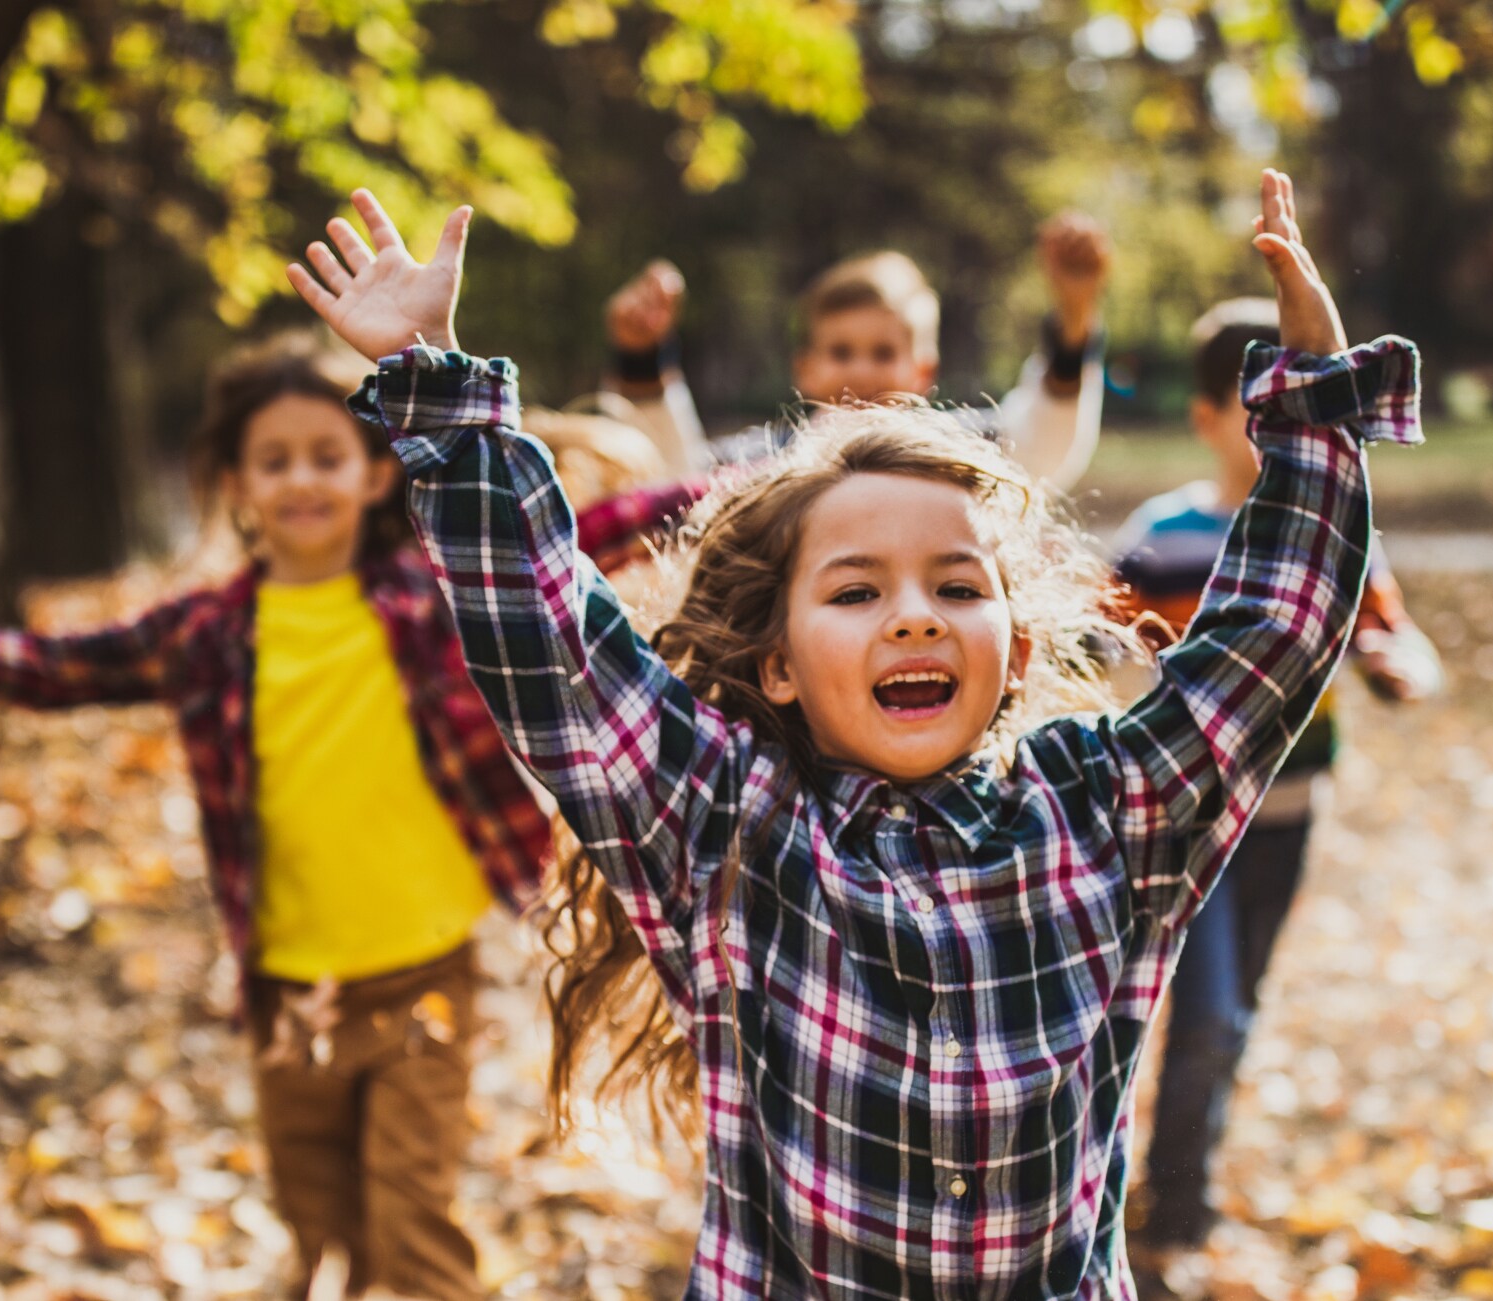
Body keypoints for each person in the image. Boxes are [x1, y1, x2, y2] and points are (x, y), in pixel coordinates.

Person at [286, 170, 1423, 1297]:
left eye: (954, 586)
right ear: (775, 663)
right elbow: (551, 643)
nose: (914, 613)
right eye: (853, 592)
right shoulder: (722, 822)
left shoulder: (1107, 812)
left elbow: (1268, 638)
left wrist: (1315, 406)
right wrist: (435, 385)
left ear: (1017, 646)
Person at [0, 333, 697, 1300]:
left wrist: (745, 484)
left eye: (327, 455)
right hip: (289, 990)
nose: (301, 480)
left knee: (415, 1232)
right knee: (324, 1231)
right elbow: (31, 669)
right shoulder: (205, 636)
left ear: (373, 472)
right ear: (237, 486)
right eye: (273, 461)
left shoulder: (429, 596)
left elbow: (589, 532)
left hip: (427, 983)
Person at [1109, 297, 1443, 1254]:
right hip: (1194, 819)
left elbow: (1393, 635)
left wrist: (1402, 666)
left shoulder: (1339, 534)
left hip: (1296, 810)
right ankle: (1173, 1212)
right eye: (1261, 414)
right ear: (1209, 416)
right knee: (1206, 1009)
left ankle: (1185, 1178)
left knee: (1236, 1009)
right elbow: (1090, 635)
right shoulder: (1163, 533)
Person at [604, 213, 1114, 491]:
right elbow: (675, 481)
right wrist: (641, 359)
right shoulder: (766, 462)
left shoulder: (962, 450)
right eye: (841, 351)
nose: (862, 370)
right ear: (802, 369)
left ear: (923, 369)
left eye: (884, 351)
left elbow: (1043, 446)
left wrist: (1072, 321)